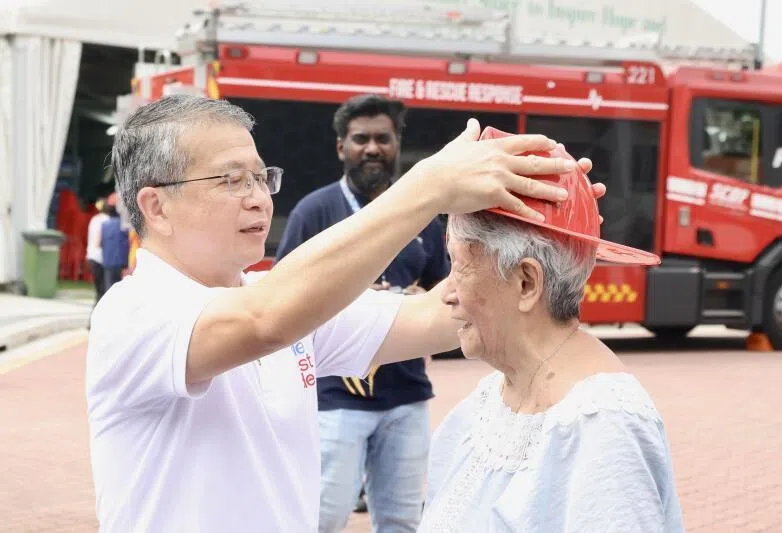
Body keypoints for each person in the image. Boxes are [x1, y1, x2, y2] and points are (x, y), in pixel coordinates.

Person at [85, 94, 603, 532]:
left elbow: (441, 314)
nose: (258, 198)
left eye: (261, 177)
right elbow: (264, 322)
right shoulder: (132, 315)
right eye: (230, 180)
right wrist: (428, 187)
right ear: (155, 206)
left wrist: (550, 239)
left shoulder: (281, 299)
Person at [416, 133, 684, 533]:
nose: (447, 294)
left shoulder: (603, 427)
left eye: (459, 265)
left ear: (526, 283)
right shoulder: (492, 399)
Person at [275, 94, 449, 533]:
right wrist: (349, 295)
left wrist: (416, 299)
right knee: (320, 519)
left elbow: (446, 291)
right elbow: (279, 295)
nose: (372, 148)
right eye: (360, 139)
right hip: (335, 397)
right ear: (341, 148)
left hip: (406, 396)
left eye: (383, 139)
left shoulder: (422, 218)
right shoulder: (314, 212)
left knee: (401, 522)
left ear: (396, 145)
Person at [99, 192, 130, 291]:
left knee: (109, 290)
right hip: (123, 263)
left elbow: (101, 244)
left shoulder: (104, 225)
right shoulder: (125, 225)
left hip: (108, 262)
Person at [85, 197, 110, 303]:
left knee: (98, 290)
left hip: (91, 255)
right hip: (101, 258)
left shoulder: (94, 219)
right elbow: (99, 240)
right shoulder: (107, 221)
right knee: (104, 290)